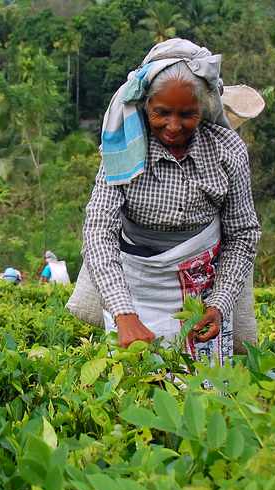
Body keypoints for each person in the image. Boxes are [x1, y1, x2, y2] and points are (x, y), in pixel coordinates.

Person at [82, 38, 261, 366]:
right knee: (139, 392)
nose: (174, 126)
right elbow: (98, 232)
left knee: (203, 397)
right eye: (162, 112)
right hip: (134, 289)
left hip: (203, 295)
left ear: (204, 109)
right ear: (145, 105)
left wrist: (218, 304)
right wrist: (124, 314)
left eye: (187, 114)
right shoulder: (125, 148)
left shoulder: (226, 151)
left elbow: (243, 235)